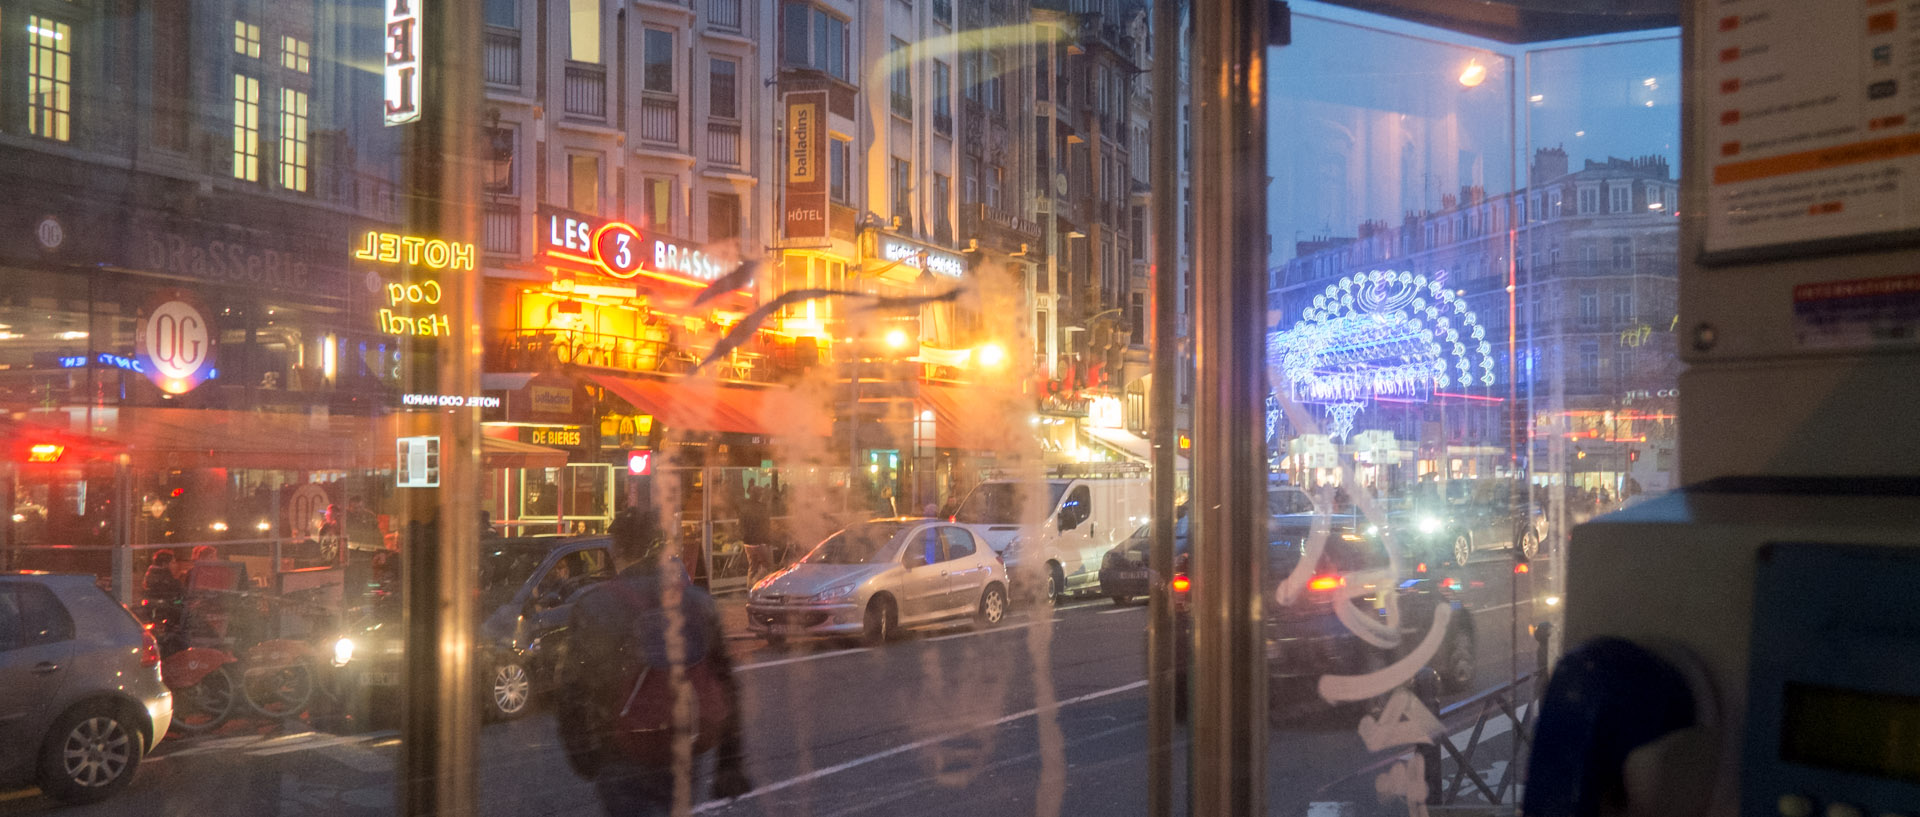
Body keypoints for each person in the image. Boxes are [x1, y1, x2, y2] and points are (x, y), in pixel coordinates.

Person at [556, 508, 751, 816]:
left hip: (620, 749)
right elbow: (726, 682)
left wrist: (583, 754)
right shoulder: (697, 601)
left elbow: (572, 690)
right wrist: (730, 761)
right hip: (683, 742)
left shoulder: (596, 605)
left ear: (616, 549)